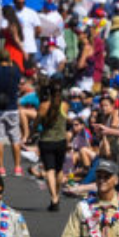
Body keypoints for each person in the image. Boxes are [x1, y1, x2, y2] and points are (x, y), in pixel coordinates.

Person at [0, 48, 24, 176]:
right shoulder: (15, 70)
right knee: (15, 138)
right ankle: (17, 167)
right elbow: (19, 82)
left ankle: (1, 167)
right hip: (12, 106)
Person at [36, 80, 68, 211]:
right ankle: (57, 193)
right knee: (59, 170)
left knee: (50, 169)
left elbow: (37, 122)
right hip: (61, 141)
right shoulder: (64, 105)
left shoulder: (44, 105)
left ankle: (54, 197)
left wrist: (30, 133)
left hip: (46, 140)